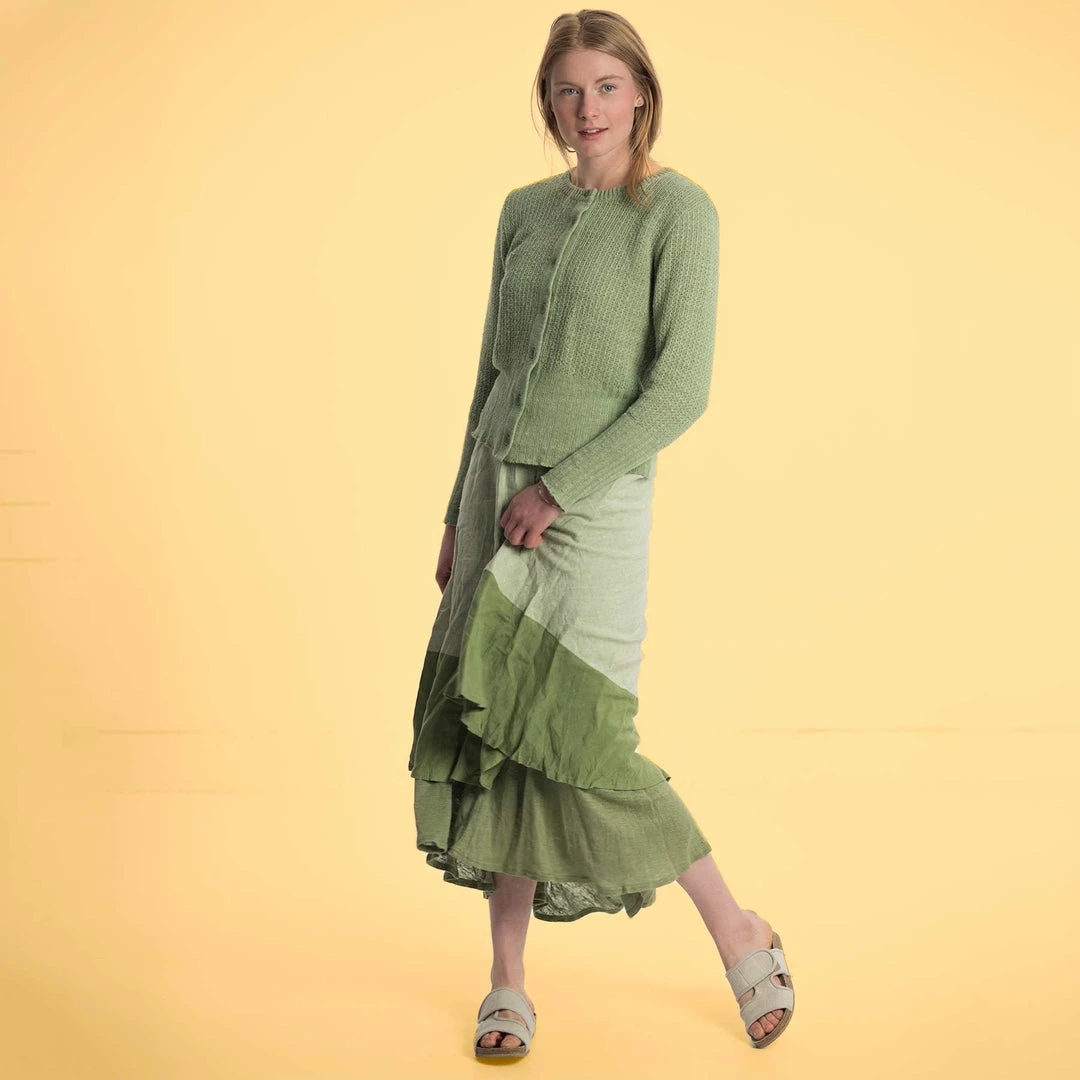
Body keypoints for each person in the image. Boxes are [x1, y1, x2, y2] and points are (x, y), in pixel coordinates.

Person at [408, 10, 796, 1059]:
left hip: (593, 510)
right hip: (494, 496)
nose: (587, 109)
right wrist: (456, 511)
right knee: (497, 734)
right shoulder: (524, 211)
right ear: (547, 99)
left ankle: (738, 928)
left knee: (584, 740)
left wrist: (561, 489)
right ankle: (507, 980)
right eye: (569, 89)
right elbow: (490, 373)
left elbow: (679, 389)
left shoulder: (678, 212)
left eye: (607, 87)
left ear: (642, 93)